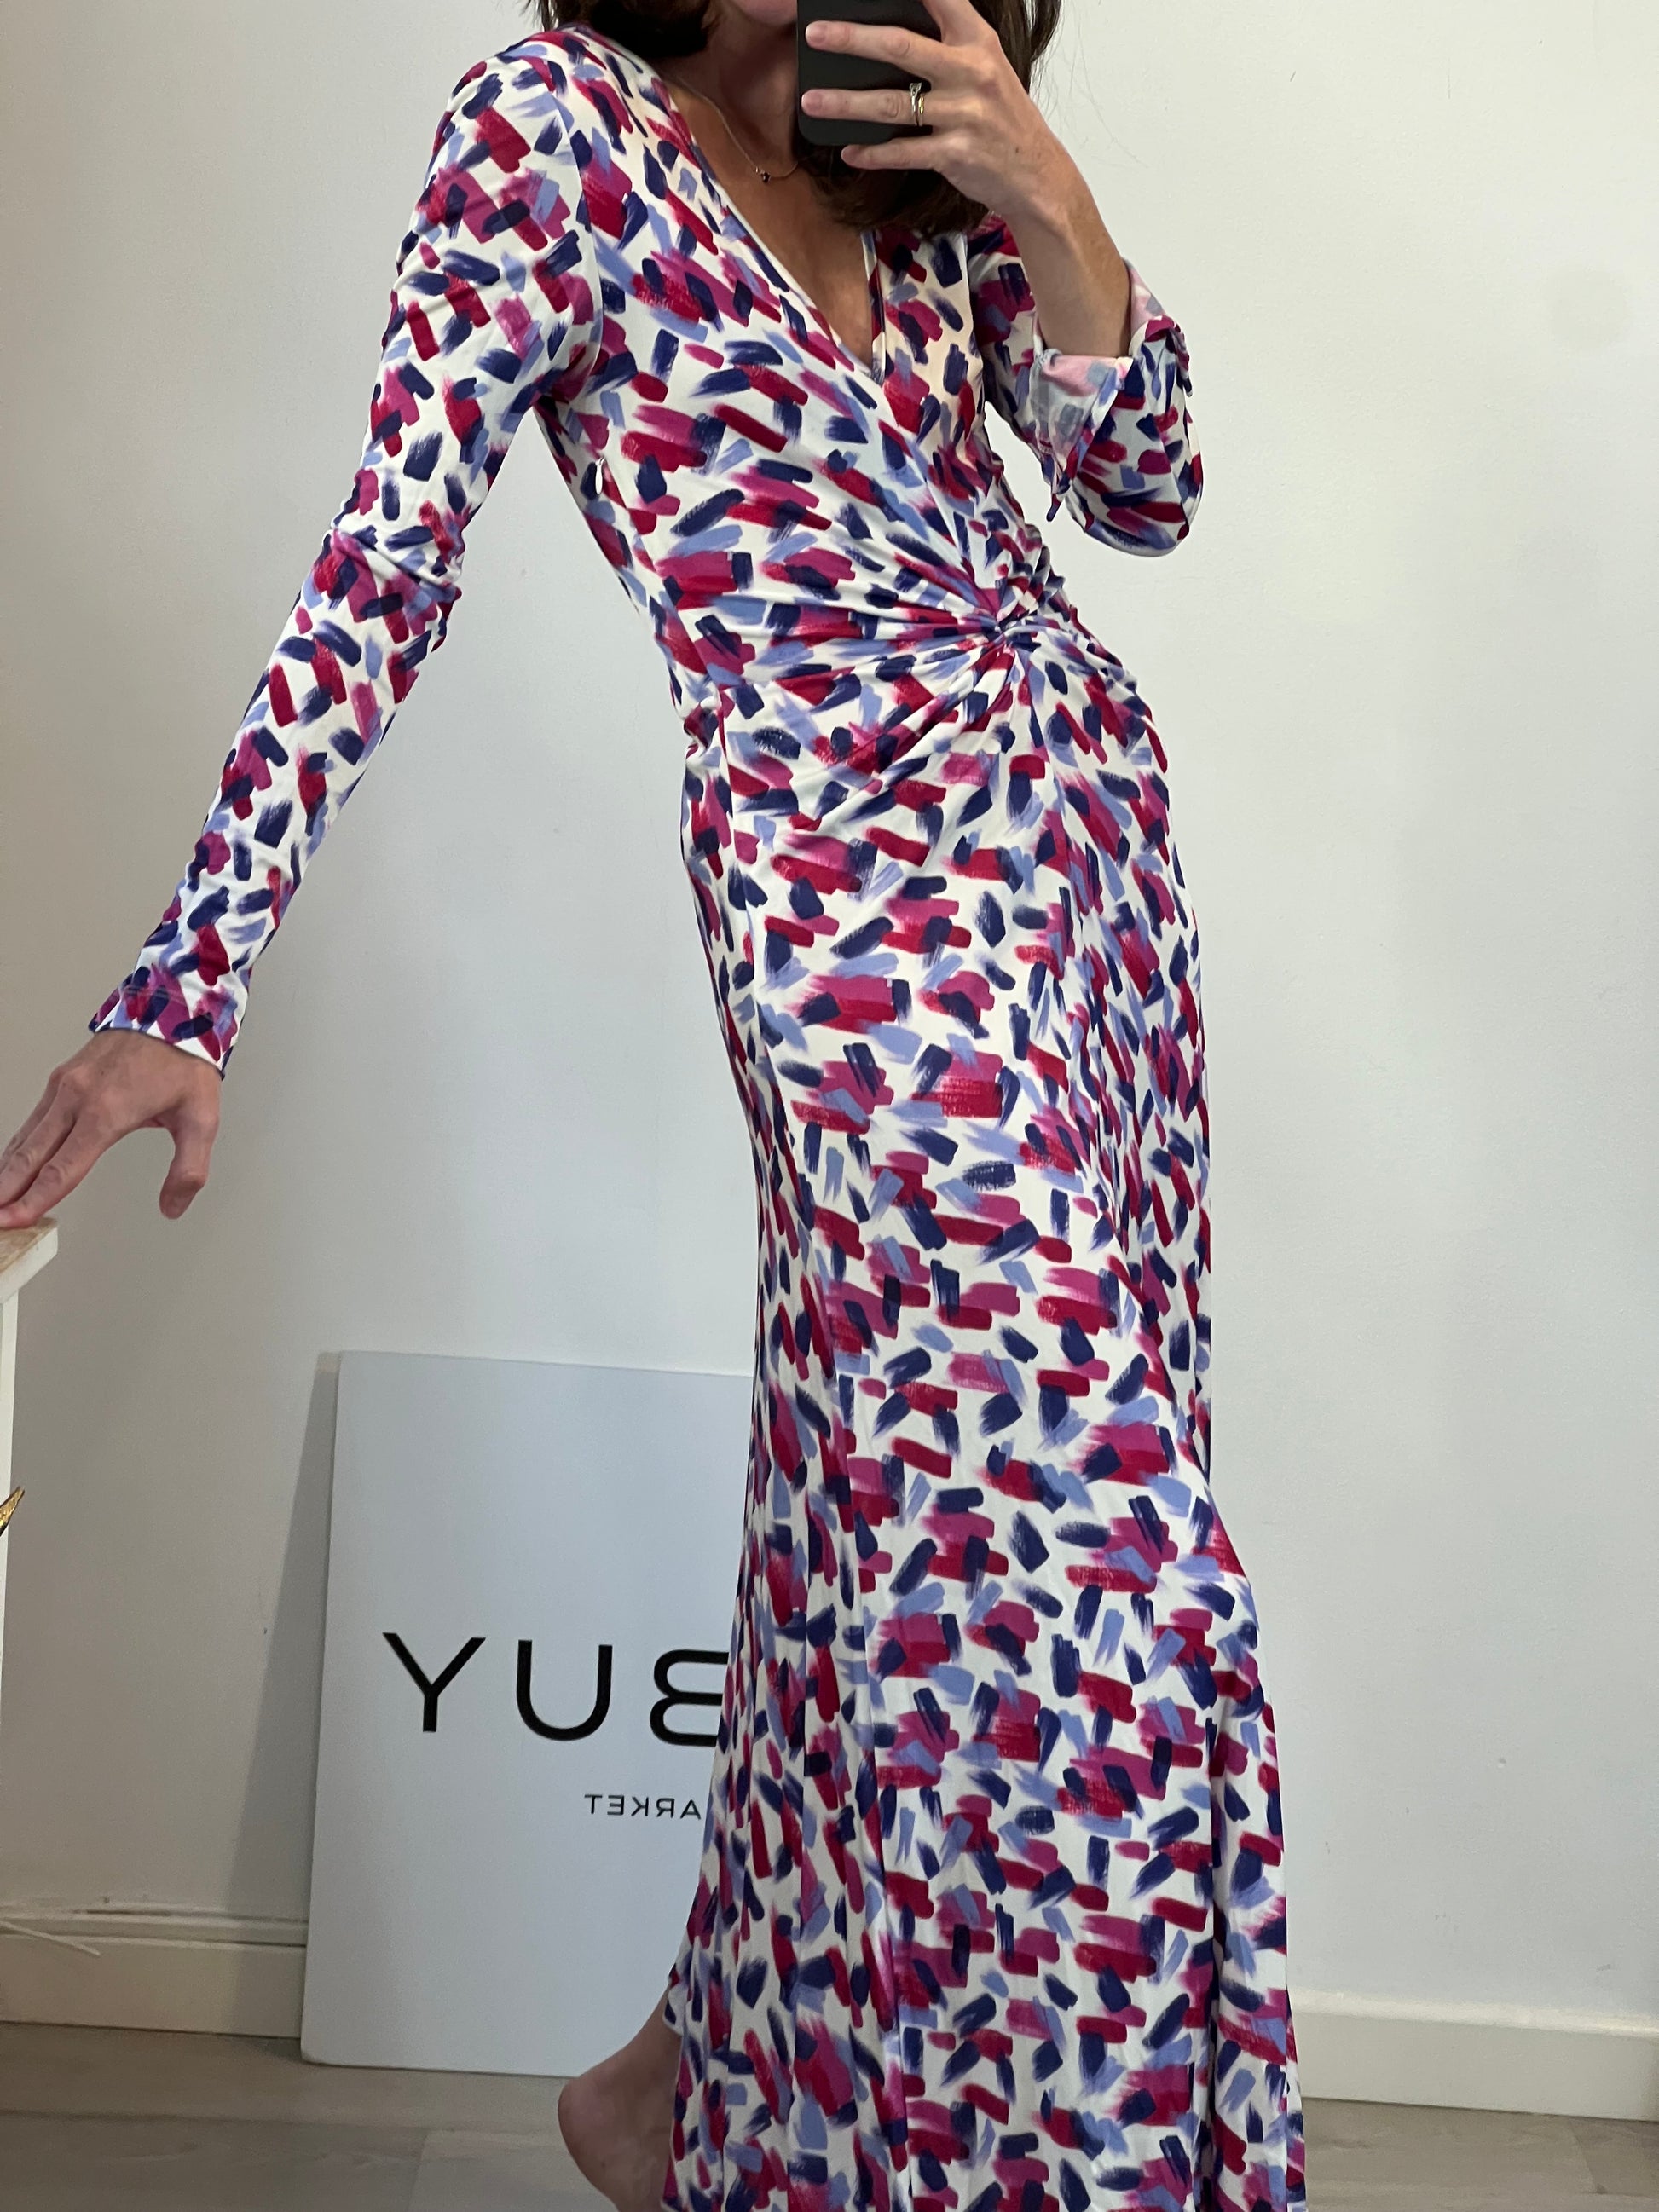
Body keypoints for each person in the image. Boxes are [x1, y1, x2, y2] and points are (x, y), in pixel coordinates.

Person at [0, 0, 1306, 2203]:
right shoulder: (557, 130)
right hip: (849, 905)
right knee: (1087, 1563)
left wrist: (1042, 189)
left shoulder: (913, 146)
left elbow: (1147, 494)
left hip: (1081, 862)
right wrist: (186, 979)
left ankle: (685, 2082)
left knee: (879, 1513)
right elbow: (388, 558)